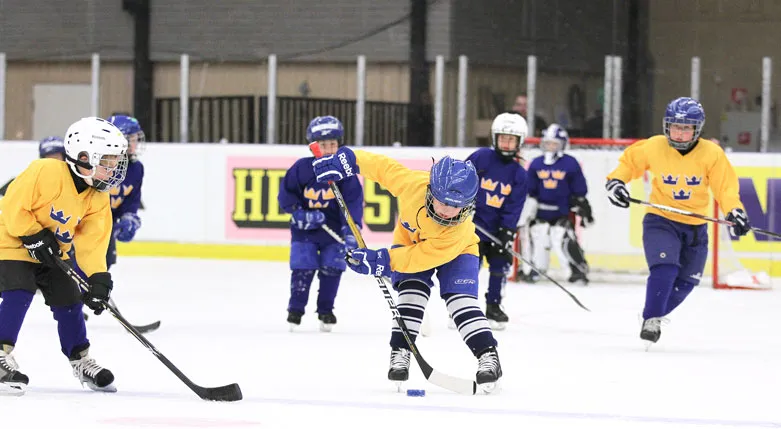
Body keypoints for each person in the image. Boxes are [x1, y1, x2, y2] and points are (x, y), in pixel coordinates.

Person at [312, 147, 503, 392]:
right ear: (431, 190)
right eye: (443, 201)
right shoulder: (413, 185)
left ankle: (488, 356)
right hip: (411, 241)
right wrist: (351, 160)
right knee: (411, 294)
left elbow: (420, 259)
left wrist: (383, 260)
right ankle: (401, 352)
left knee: (460, 302)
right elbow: (383, 168)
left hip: (460, 251)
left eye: (456, 206)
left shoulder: (455, 232)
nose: (447, 210)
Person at [605, 97, 750, 346]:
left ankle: (655, 313)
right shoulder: (654, 146)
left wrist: (735, 211)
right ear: (666, 126)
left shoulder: (712, 154)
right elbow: (628, 163)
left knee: (688, 281)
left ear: (697, 129)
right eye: (675, 126)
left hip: (695, 227)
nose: (680, 133)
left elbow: (725, 189)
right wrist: (616, 182)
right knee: (665, 268)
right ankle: (651, 319)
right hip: (661, 220)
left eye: (686, 128)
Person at [0, 117, 128, 394]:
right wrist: (32, 234)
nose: (114, 168)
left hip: (53, 250)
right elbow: (13, 206)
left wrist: (97, 278)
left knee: (69, 299)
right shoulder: (44, 170)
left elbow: (92, 243)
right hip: (11, 240)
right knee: (19, 291)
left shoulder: (97, 196)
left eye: (115, 161)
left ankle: (80, 360)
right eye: (107, 161)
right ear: (84, 157)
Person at [278, 116, 363, 332]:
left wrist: (351, 230)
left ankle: (326, 310)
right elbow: (286, 195)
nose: (328, 149)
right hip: (305, 232)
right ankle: (295, 309)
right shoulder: (302, 169)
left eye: (333, 144)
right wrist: (298, 213)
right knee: (302, 269)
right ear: (313, 146)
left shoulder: (346, 173)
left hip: (333, 232)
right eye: (323, 145)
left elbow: (352, 203)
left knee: (333, 269)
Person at [465, 112, 528, 330]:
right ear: (494, 138)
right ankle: (464, 307)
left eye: (511, 139)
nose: (506, 143)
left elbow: (514, 205)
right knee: (469, 267)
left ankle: (494, 305)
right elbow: (462, 179)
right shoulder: (481, 157)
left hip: (497, 229)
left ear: (520, 142)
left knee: (500, 266)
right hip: (472, 226)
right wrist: (464, 204)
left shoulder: (520, 174)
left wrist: (507, 230)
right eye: (503, 138)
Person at [518, 124, 593, 285]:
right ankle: (535, 269)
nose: (551, 147)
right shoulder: (536, 164)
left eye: (555, 144)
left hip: (563, 211)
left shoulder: (570, 163)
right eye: (548, 143)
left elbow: (579, 189)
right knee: (538, 236)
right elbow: (530, 190)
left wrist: (582, 204)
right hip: (540, 212)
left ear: (563, 145)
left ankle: (576, 270)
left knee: (562, 237)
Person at [0, 136, 66, 197]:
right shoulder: (30, 180)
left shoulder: (71, 180)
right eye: (49, 157)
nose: (52, 161)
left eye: (56, 157)